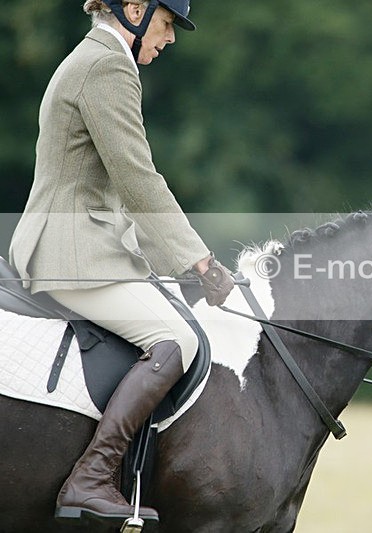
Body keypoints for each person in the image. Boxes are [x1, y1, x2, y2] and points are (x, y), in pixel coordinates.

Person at [8, 0, 233, 526]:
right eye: (166, 22)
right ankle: (91, 476)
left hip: (81, 242)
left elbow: (111, 191)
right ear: (134, 8)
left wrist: (167, 264)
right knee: (178, 340)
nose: (170, 38)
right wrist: (198, 261)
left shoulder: (94, 59)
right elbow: (137, 179)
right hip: (70, 250)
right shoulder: (107, 64)